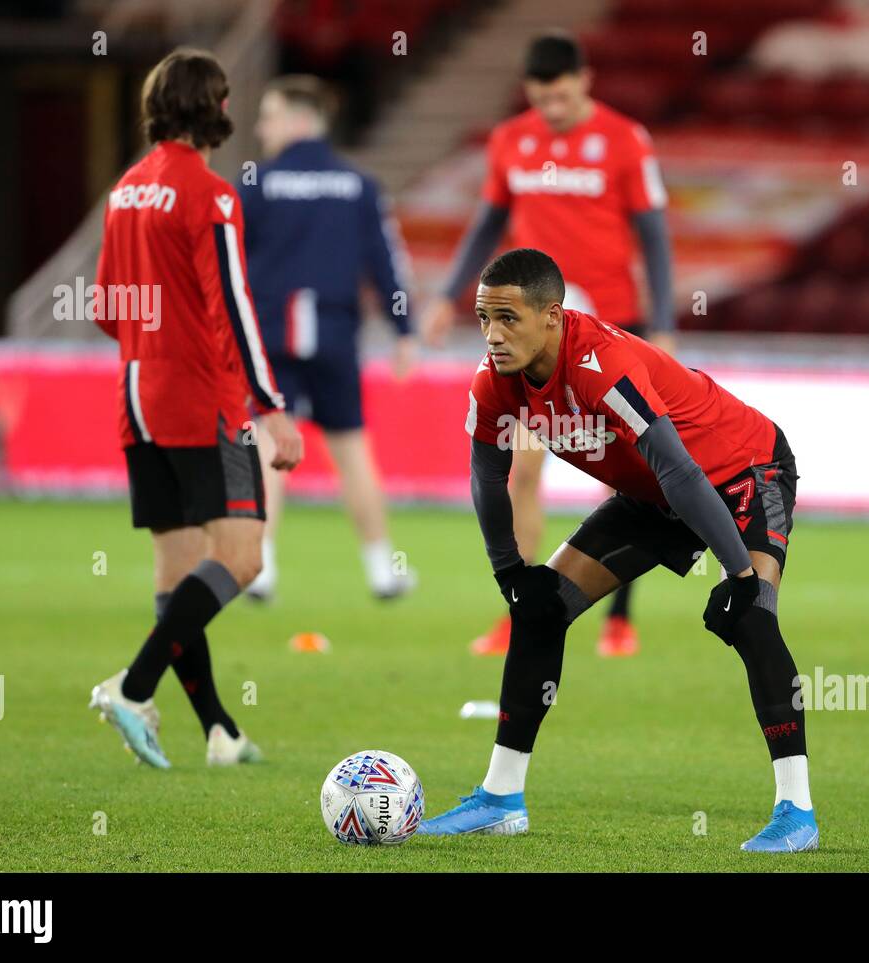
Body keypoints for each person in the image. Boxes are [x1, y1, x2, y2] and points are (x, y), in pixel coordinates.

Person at [420, 249, 817, 852]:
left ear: (552, 316)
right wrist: (509, 574)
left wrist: (738, 573)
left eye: (507, 318)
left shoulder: (599, 363)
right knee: (538, 608)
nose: (492, 335)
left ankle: (798, 811)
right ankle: (501, 798)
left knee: (753, 616)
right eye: (482, 318)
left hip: (741, 472)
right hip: (655, 493)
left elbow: (679, 467)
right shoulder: (494, 381)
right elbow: (486, 472)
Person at [421, 31, 677, 657]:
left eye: (562, 93)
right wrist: (444, 294)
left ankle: (620, 615)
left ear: (584, 80)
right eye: (542, 94)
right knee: (524, 469)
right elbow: (486, 223)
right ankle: (522, 609)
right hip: (536, 331)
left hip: (614, 327)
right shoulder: (511, 141)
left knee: (631, 474)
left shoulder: (626, 140)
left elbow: (654, 235)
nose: (553, 105)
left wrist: (663, 320)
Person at [88, 48, 305, 768]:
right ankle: (131, 685)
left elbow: (105, 308)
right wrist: (270, 406)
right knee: (240, 558)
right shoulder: (209, 193)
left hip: (136, 398)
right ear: (213, 108)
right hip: (199, 398)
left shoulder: (126, 190)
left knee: (176, 574)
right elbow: (235, 309)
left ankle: (219, 729)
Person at [240, 75, 418, 602]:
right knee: (352, 449)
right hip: (337, 334)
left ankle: (261, 566)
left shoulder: (256, 184)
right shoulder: (357, 184)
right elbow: (386, 262)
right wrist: (402, 329)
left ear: (298, 120)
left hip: (270, 332)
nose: (259, 126)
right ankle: (382, 569)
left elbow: (221, 263)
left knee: (270, 443)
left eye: (269, 115)